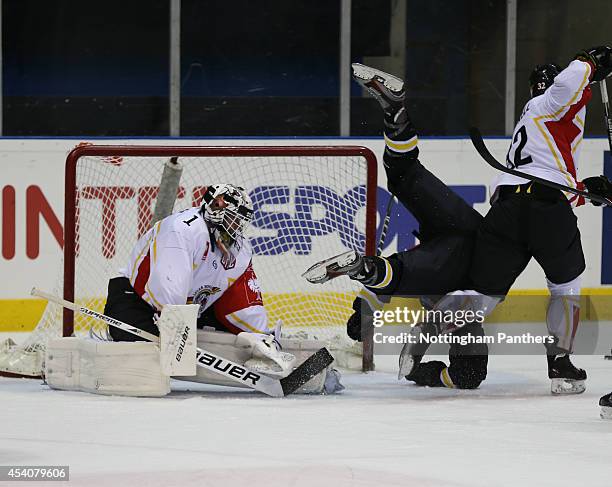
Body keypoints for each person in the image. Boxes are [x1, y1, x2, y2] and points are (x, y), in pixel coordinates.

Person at [304, 63, 488, 390]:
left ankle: (396, 111)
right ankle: (362, 267)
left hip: (465, 224)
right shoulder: (448, 297)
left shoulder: (439, 283)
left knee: (404, 173)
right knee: (398, 274)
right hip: (462, 261)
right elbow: (444, 339)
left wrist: (365, 315)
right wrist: (419, 368)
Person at [448, 46, 612, 394]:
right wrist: (590, 61)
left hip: (507, 209)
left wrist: (585, 190)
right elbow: (568, 85)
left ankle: (436, 320)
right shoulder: (550, 102)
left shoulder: (531, 118)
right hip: (546, 210)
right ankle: (560, 365)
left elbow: (541, 174)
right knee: (565, 286)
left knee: (485, 294)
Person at [103, 183, 294, 374]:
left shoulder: (239, 249)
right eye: (234, 220)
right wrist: (175, 329)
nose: (237, 228)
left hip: (190, 312)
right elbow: (168, 288)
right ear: (217, 208)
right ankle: (117, 338)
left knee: (241, 337)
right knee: (145, 362)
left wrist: (259, 336)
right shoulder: (182, 229)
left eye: (240, 223)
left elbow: (241, 300)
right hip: (136, 301)